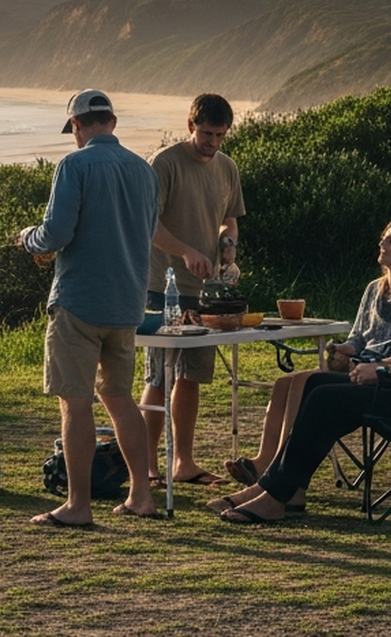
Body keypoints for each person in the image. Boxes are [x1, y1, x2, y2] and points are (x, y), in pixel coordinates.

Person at [209, 224, 391, 523]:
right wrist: (377, 367)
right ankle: (280, 488)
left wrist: (383, 370)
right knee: (314, 382)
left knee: (326, 398)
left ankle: (275, 497)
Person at [18, 88, 162, 526]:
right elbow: (148, 230)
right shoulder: (143, 170)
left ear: (77, 126)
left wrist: (29, 239)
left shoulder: (74, 165)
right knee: (120, 399)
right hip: (127, 303)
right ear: (112, 122)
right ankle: (141, 494)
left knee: (75, 403)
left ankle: (78, 505)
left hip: (79, 300)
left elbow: (57, 231)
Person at [223, 217, 391, 486]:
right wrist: (344, 349)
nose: (382, 243)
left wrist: (373, 363)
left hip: (385, 377)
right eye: (383, 238)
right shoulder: (374, 288)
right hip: (359, 367)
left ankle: (278, 469)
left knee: (304, 382)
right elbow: (359, 336)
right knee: (282, 384)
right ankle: (264, 461)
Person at [139, 93, 245, 487]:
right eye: (206, 133)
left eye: (219, 135)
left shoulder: (227, 168)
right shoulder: (164, 164)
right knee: (159, 375)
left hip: (206, 292)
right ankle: (148, 465)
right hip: (161, 287)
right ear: (190, 125)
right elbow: (149, 226)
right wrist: (185, 252)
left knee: (193, 376)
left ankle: (183, 462)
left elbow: (228, 222)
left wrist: (227, 250)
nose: (212, 142)